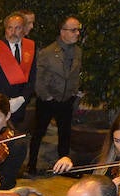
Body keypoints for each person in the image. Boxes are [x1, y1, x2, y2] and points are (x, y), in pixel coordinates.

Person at [28, 17, 83, 174]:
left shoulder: (78, 52)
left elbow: (75, 75)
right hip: (48, 100)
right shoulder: (48, 52)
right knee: (39, 133)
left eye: (78, 29)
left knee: (65, 134)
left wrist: (74, 93)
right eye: (73, 30)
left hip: (66, 100)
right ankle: (31, 165)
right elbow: (39, 79)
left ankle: (64, 167)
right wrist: (47, 96)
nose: (77, 33)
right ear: (63, 32)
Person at [0, 13, 34, 124]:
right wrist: (5, 102)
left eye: (17, 28)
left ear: (24, 29)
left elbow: (32, 77)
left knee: (14, 136)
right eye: (10, 28)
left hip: (20, 105)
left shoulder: (30, 47)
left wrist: (22, 99)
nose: (13, 32)